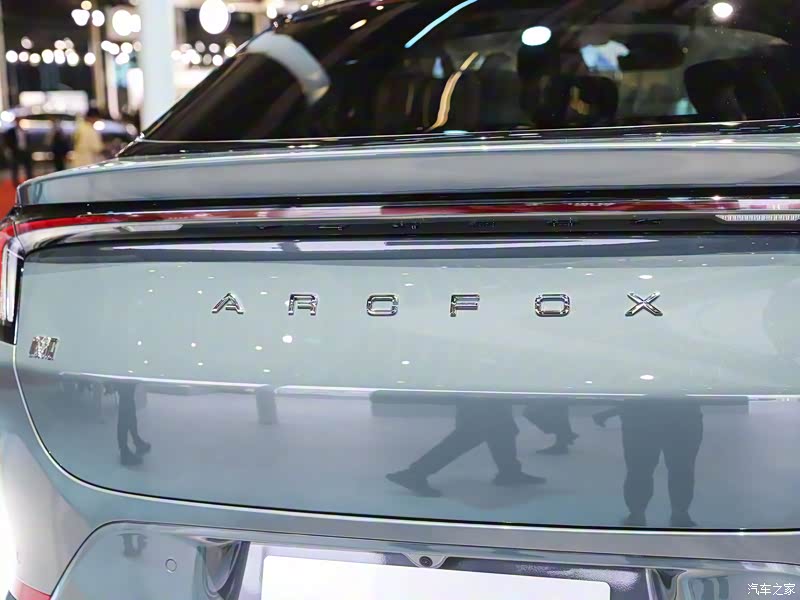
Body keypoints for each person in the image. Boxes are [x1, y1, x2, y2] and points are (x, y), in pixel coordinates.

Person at [386, 395, 545, 497]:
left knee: (501, 430)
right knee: (470, 434)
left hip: (485, 391)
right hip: (482, 392)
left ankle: (509, 472)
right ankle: (415, 474)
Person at [4, 117, 33, 185]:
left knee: (28, 167)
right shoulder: (10, 131)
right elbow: (8, 141)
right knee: (15, 168)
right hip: (16, 152)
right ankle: (15, 183)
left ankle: (29, 181)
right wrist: (11, 150)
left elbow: (27, 141)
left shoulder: (23, 130)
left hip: (25, 151)